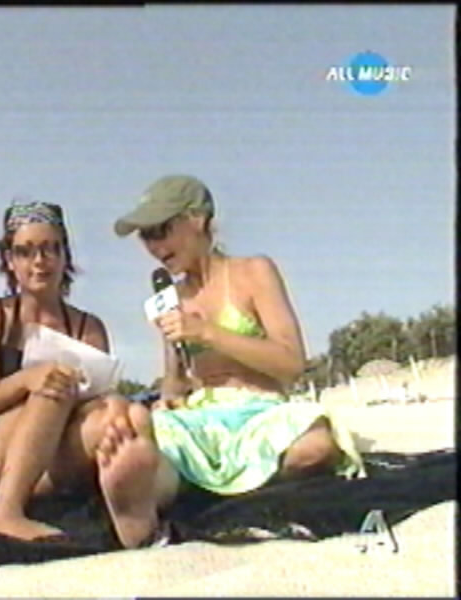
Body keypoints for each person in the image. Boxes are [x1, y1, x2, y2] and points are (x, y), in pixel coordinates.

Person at [95, 174, 366, 548]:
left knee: (314, 445)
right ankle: (142, 500)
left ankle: (183, 488)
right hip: (204, 415)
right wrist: (169, 396)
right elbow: (175, 377)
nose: (154, 246)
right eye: (146, 237)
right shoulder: (171, 299)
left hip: (262, 411)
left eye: (161, 230)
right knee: (153, 432)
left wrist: (208, 332)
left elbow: (291, 363)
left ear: (197, 219)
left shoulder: (254, 271)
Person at [0, 199, 129, 540]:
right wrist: (27, 379)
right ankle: (5, 511)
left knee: (113, 415)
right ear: (10, 260)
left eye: (49, 249)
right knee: (55, 383)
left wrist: (114, 407)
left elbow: (98, 395)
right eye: (25, 252)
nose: (39, 261)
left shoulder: (87, 327)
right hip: (3, 451)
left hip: (59, 452)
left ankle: (133, 522)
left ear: (64, 255)